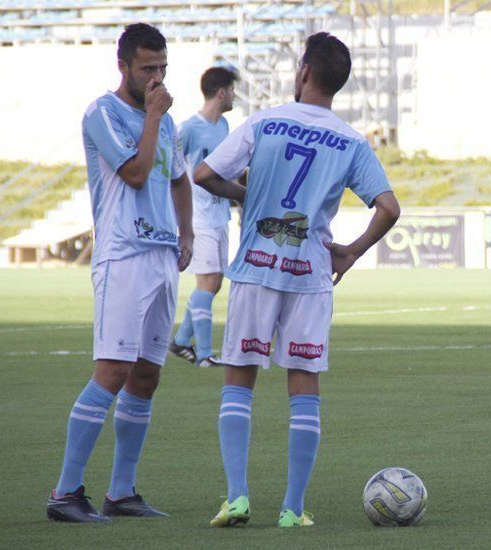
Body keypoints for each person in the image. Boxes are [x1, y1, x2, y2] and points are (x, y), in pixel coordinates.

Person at [192, 32, 400, 528]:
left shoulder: (264, 121)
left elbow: (202, 175)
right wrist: (350, 252)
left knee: (238, 383)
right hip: (310, 274)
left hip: (255, 268)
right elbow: (389, 208)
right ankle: (292, 508)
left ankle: (237, 498)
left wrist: (246, 193)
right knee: (304, 390)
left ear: (303, 72)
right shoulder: (351, 140)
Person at [46, 23, 193, 523]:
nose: (157, 78)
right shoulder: (102, 113)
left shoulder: (168, 123)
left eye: (163, 69)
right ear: (124, 66)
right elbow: (135, 171)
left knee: (147, 376)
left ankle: (121, 492)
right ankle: (65, 493)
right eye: (148, 68)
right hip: (122, 255)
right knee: (112, 371)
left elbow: (179, 180)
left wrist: (187, 234)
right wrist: (153, 117)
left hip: (162, 257)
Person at [169, 66, 241, 368]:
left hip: (219, 214)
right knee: (208, 281)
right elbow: (171, 167)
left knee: (215, 282)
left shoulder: (223, 126)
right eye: (233, 90)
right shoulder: (188, 129)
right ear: (222, 92)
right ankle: (204, 354)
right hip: (198, 216)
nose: (235, 96)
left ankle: (182, 341)